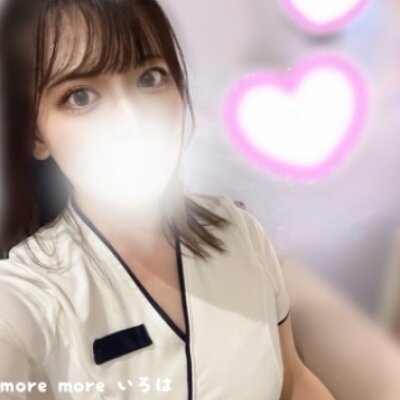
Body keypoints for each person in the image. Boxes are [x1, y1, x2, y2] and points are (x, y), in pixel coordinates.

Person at [0, 0, 335, 399]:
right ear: (36, 133)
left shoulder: (241, 234)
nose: (132, 120)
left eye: (150, 77)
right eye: (81, 97)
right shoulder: (24, 301)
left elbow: (293, 381)